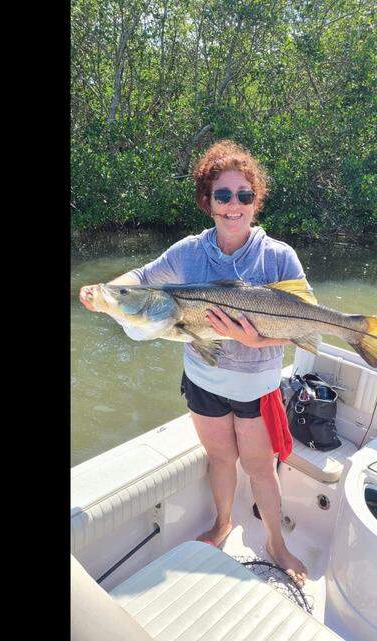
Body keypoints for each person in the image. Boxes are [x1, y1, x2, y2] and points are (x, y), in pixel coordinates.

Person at [78, 140, 309, 586]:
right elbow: (143, 279)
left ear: (255, 200)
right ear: (208, 201)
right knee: (220, 460)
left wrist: (257, 340)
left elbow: (306, 322)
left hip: (257, 388)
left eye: (244, 194)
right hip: (204, 383)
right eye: (223, 194)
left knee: (261, 469)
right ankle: (223, 524)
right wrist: (106, 291)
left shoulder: (278, 256)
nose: (233, 205)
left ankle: (277, 544)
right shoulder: (188, 252)